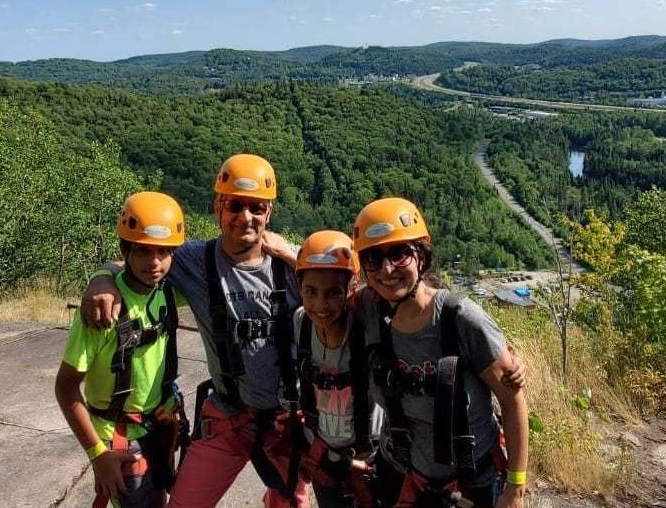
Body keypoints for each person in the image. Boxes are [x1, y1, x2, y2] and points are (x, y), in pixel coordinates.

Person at [80, 154, 309, 508]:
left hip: (284, 424)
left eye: (256, 208)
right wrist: (101, 279)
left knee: (289, 503)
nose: (244, 217)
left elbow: (351, 288)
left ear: (269, 213)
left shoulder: (294, 263)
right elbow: (141, 258)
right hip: (227, 417)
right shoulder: (194, 260)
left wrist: (291, 257)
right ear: (218, 205)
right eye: (234, 205)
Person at [352, 197, 528, 508]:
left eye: (398, 253)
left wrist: (515, 487)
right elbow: (321, 286)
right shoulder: (368, 308)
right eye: (374, 259)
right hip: (402, 472)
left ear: (421, 255)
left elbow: (512, 401)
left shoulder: (460, 319)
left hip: (471, 480)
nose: (387, 269)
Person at [55, 191, 188, 508]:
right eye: (142, 251)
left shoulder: (166, 293)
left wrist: (103, 272)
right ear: (125, 249)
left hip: (159, 423)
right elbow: (66, 387)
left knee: (160, 497)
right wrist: (98, 455)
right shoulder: (102, 313)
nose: (154, 262)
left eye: (162, 252)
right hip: (118, 436)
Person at [292, 230, 375, 508]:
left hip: (368, 460)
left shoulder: (367, 327)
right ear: (300, 289)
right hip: (323, 455)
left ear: (351, 290)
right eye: (311, 292)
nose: (320, 305)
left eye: (333, 293)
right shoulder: (301, 323)